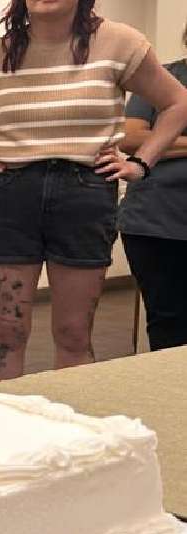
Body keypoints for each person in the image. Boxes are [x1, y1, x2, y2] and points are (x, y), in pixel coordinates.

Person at [0, 0, 187, 383]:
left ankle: (69, 420)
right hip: (12, 195)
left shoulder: (120, 43)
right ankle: (1, 419)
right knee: (7, 335)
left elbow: (178, 102)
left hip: (83, 195)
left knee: (73, 334)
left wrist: (141, 163)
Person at [118, 21, 187, 351]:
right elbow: (131, 138)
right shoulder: (164, 76)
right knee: (168, 324)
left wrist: (163, 141)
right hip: (157, 224)